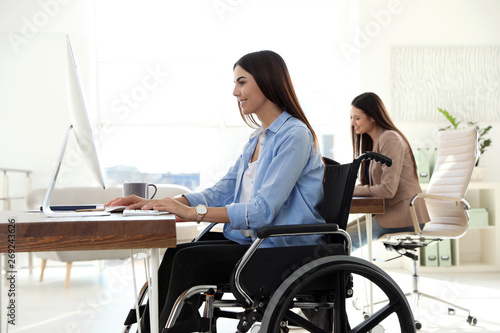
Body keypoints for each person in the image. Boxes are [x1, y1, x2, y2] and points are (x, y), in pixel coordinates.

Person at [106, 50, 326, 332]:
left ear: (267, 81)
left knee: (188, 261)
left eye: (242, 82)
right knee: (176, 254)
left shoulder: (294, 135)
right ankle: (151, 328)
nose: (235, 92)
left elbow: (263, 211)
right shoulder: (257, 139)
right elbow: (222, 190)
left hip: (284, 249)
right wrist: (163, 203)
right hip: (255, 244)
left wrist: (194, 213)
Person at [347, 92, 430, 251]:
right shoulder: (376, 141)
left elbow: (387, 189)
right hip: (390, 212)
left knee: (344, 240)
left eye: (357, 118)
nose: (353, 123)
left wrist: (350, 189)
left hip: (404, 215)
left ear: (372, 117)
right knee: (339, 235)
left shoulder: (389, 138)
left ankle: (340, 275)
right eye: (351, 118)